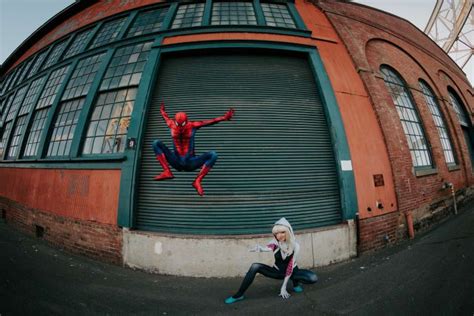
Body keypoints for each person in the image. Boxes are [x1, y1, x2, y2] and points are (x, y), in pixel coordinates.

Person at [225, 217, 318, 304]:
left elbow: (290, 266)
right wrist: (260, 249)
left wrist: (283, 287)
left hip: (292, 271)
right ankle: (239, 295)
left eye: (282, 232)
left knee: (312, 278)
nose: (279, 236)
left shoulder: (295, 246)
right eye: (276, 233)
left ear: (288, 231)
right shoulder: (274, 243)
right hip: (277, 272)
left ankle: (295, 284)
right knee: (255, 266)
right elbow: (268, 247)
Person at [152, 102, 234, 196]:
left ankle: (197, 181)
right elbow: (165, 117)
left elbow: (211, 121)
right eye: (178, 125)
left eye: (182, 124)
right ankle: (167, 171)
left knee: (213, 155)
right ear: (174, 121)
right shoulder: (171, 124)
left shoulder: (192, 126)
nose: (180, 128)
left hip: (190, 162)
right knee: (156, 143)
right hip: (176, 161)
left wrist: (223, 118)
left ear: (186, 121)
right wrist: (162, 111)